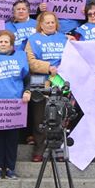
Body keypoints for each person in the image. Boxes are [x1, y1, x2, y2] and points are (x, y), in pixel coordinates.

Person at [0, 30, 31, 179]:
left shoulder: (21, 57)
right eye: (1, 41)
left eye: (6, 42)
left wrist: (27, 91)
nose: (3, 44)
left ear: (11, 44)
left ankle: (10, 168)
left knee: (12, 138)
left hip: (15, 104)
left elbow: (27, 79)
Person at [25, 11, 71, 161]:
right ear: (41, 25)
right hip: (40, 81)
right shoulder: (32, 40)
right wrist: (48, 67)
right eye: (47, 22)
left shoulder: (65, 39)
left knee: (59, 115)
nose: (50, 25)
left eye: (53, 22)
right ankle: (39, 150)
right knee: (40, 117)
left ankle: (58, 150)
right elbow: (30, 61)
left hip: (60, 81)